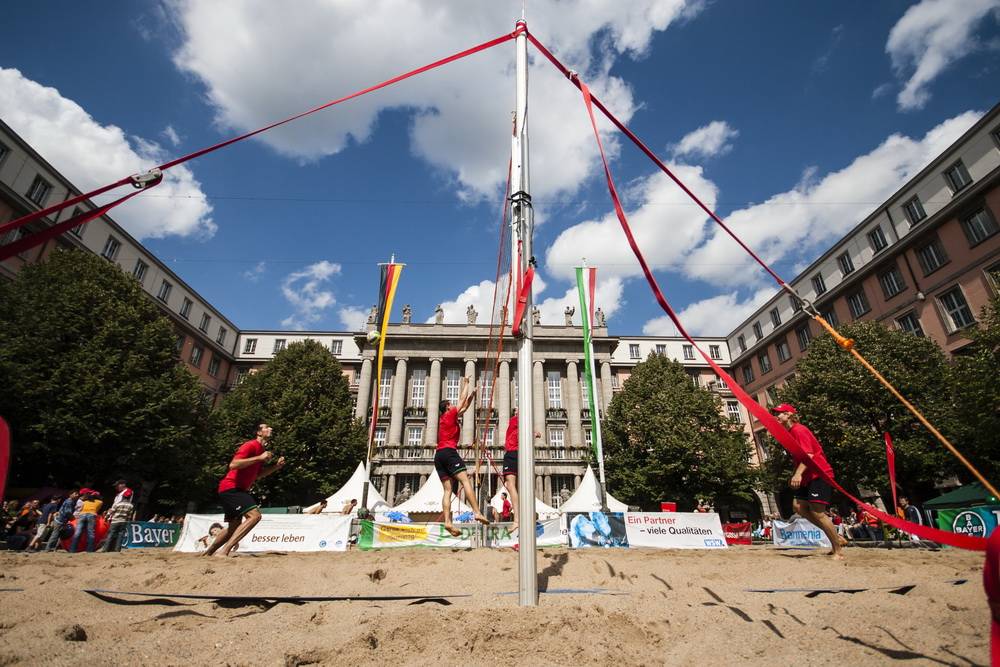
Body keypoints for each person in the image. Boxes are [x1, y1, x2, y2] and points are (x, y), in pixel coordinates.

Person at [771, 403, 845, 559]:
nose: (776, 416)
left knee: (818, 512)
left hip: (819, 474)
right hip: (807, 476)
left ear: (789, 415)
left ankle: (838, 550)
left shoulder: (799, 430)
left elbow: (808, 455)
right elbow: (800, 457)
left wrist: (797, 474)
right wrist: (796, 474)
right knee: (798, 506)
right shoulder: (791, 432)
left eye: (779, 413)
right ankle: (835, 536)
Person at [202, 423, 285, 557]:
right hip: (232, 488)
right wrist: (259, 458)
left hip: (232, 489)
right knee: (255, 516)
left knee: (233, 526)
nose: (270, 429)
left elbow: (258, 475)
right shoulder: (250, 445)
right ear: (259, 432)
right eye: (266, 427)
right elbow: (233, 464)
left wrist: (276, 467)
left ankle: (207, 553)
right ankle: (224, 552)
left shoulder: (261, 450)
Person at [435, 377, 489, 536]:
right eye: (450, 404)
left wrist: (472, 395)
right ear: (447, 407)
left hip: (439, 455)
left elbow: (464, 406)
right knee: (466, 481)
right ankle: (477, 512)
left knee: (447, 490)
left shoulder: (445, 418)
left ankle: (447, 522)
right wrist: (466, 384)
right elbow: (461, 399)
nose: (453, 405)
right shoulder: (449, 413)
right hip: (449, 452)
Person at [500, 408, 540, 534]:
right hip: (520, 454)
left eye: (517, 410)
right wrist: (535, 433)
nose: (516, 411)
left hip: (512, 454)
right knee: (515, 487)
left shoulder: (516, 420)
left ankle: (517, 520)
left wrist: (534, 433)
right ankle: (523, 516)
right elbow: (530, 432)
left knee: (510, 485)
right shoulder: (522, 424)